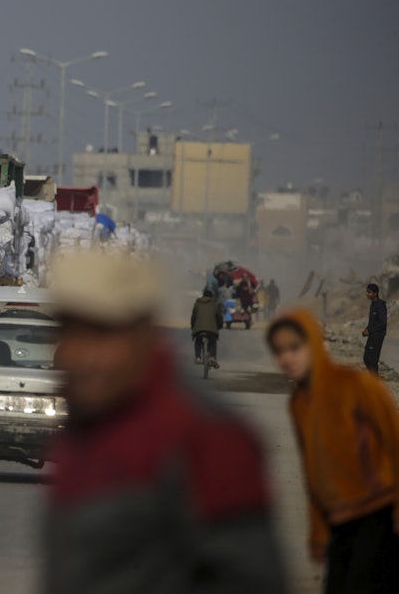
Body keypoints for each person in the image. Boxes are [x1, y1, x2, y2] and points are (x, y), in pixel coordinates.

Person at [44, 251, 285, 593]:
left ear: (143, 335)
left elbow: (250, 577)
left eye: (103, 335)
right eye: (71, 335)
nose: (83, 356)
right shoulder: (84, 427)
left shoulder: (204, 434)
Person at [266, 310, 399, 592]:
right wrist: (318, 530)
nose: (286, 358)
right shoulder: (300, 404)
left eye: (294, 348)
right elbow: (314, 472)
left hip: (379, 514)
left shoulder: (359, 386)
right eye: (279, 351)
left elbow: (394, 444)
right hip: (340, 520)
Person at [191, 289, 225, 367]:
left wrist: (193, 327)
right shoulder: (214, 305)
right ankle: (212, 357)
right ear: (211, 297)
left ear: (203, 296)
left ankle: (198, 357)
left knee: (198, 342)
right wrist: (219, 326)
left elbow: (193, 317)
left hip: (199, 329)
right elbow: (219, 318)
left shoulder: (197, 304)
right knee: (212, 342)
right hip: (211, 329)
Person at [362, 283, 388, 374]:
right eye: (367, 292)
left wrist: (370, 330)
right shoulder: (373, 304)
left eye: (369, 292)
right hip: (372, 335)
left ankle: (374, 382)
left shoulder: (380, 305)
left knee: (372, 360)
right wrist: (366, 329)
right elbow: (372, 322)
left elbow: (383, 323)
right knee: (366, 358)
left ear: (375, 293)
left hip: (378, 336)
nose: (367, 294)